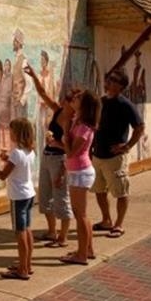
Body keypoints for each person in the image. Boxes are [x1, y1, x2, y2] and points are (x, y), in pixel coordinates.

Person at [0, 118, 36, 280]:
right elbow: (18, 166)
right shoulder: (30, 151)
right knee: (27, 230)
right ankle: (27, 264)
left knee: (20, 233)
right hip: (28, 194)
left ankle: (22, 269)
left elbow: (3, 175)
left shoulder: (16, 153)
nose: (10, 134)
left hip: (18, 197)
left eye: (12, 131)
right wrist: (6, 160)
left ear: (18, 133)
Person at [92, 69, 145, 238]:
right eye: (108, 78)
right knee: (99, 190)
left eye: (113, 80)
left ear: (121, 86)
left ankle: (118, 224)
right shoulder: (101, 102)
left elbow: (139, 127)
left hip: (115, 158)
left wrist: (127, 145)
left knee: (121, 192)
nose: (108, 82)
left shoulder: (125, 104)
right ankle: (106, 220)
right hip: (98, 155)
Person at [26, 63, 74, 248]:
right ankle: (52, 231)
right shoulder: (58, 111)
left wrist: (56, 144)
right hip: (47, 157)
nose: (63, 101)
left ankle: (63, 237)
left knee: (61, 197)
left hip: (60, 160)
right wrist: (34, 77)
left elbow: (71, 149)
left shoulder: (72, 121)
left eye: (67, 100)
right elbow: (43, 94)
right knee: (46, 197)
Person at [60, 89, 100, 265]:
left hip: (80, 172)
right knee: (82, 214)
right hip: (76, 171)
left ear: (84, 104)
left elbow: (71, 153)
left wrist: (65, 132)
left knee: (80, 215)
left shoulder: (84, 127)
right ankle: (87, 249)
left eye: (78, 98)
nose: (73, 99)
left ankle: (81, 254)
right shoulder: (78, 121)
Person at [0, 59, 12, 155]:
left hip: (5, 111)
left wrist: (0, 110)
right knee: (0, 132)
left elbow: (6, 96)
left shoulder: (6, 80)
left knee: (6, 130)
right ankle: (2, 150)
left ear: (0, 69)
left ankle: (7, 150)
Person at [10, 29, 31, 119]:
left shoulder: (24, 60)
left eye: (14, 41)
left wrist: (22, 101)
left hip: (20, 104)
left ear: (19, 43)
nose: (13, 43)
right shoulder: (16, 59)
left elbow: (29, 83)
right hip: (15, 102)